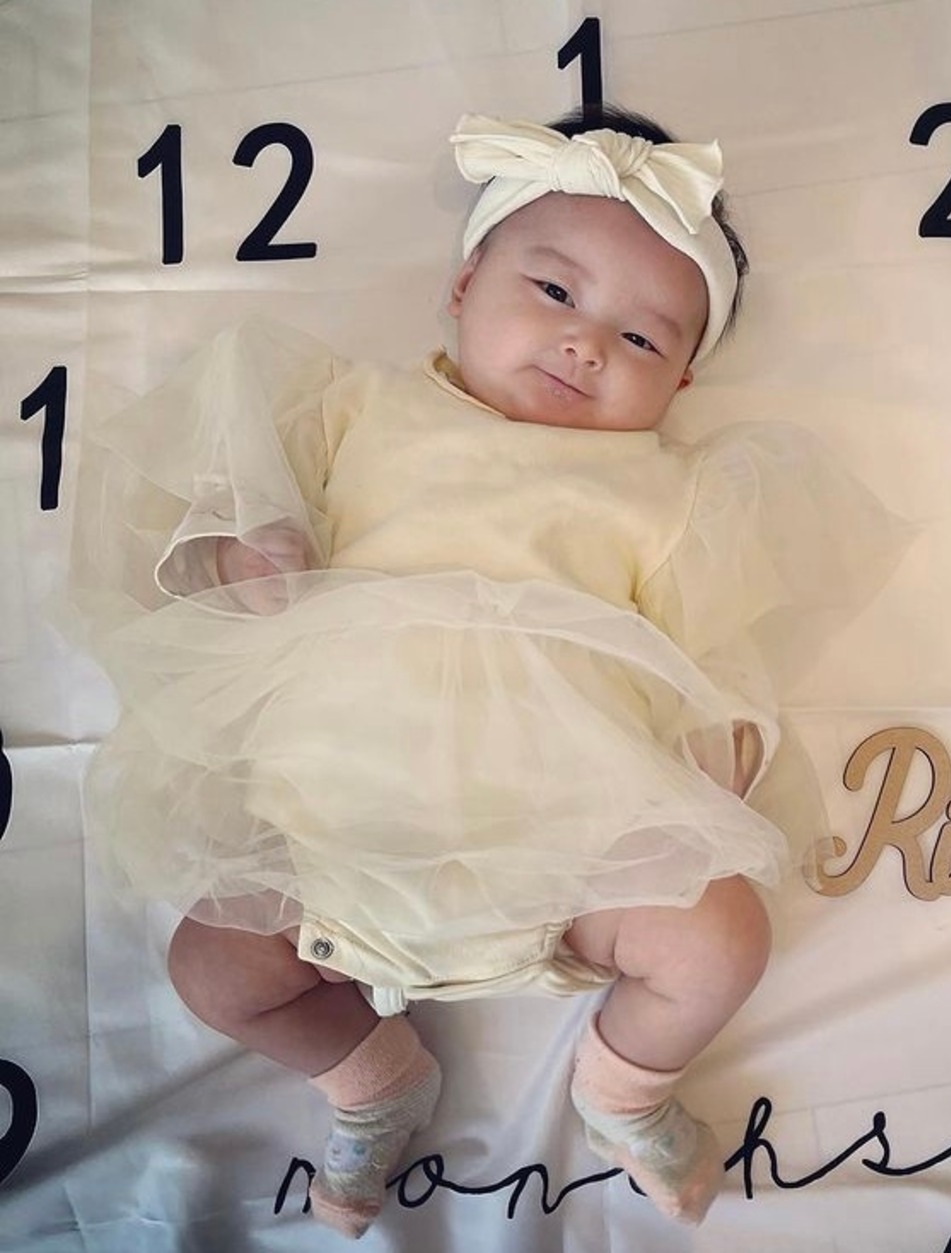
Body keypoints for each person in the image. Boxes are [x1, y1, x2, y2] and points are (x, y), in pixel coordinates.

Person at [70, 106, 904, 1238]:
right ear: (464, 286)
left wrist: (720, 755)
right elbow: (217, 519)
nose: (586, 344)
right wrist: (246, 558)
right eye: (554, 291)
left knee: (721, 938)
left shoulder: (663, 491)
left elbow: (705, 655)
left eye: (642, 339)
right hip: (334, 836)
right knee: (212, 967)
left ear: (681, 387)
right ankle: (371, 1078)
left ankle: (624, 1086)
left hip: (571, 855)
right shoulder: (354, 411)